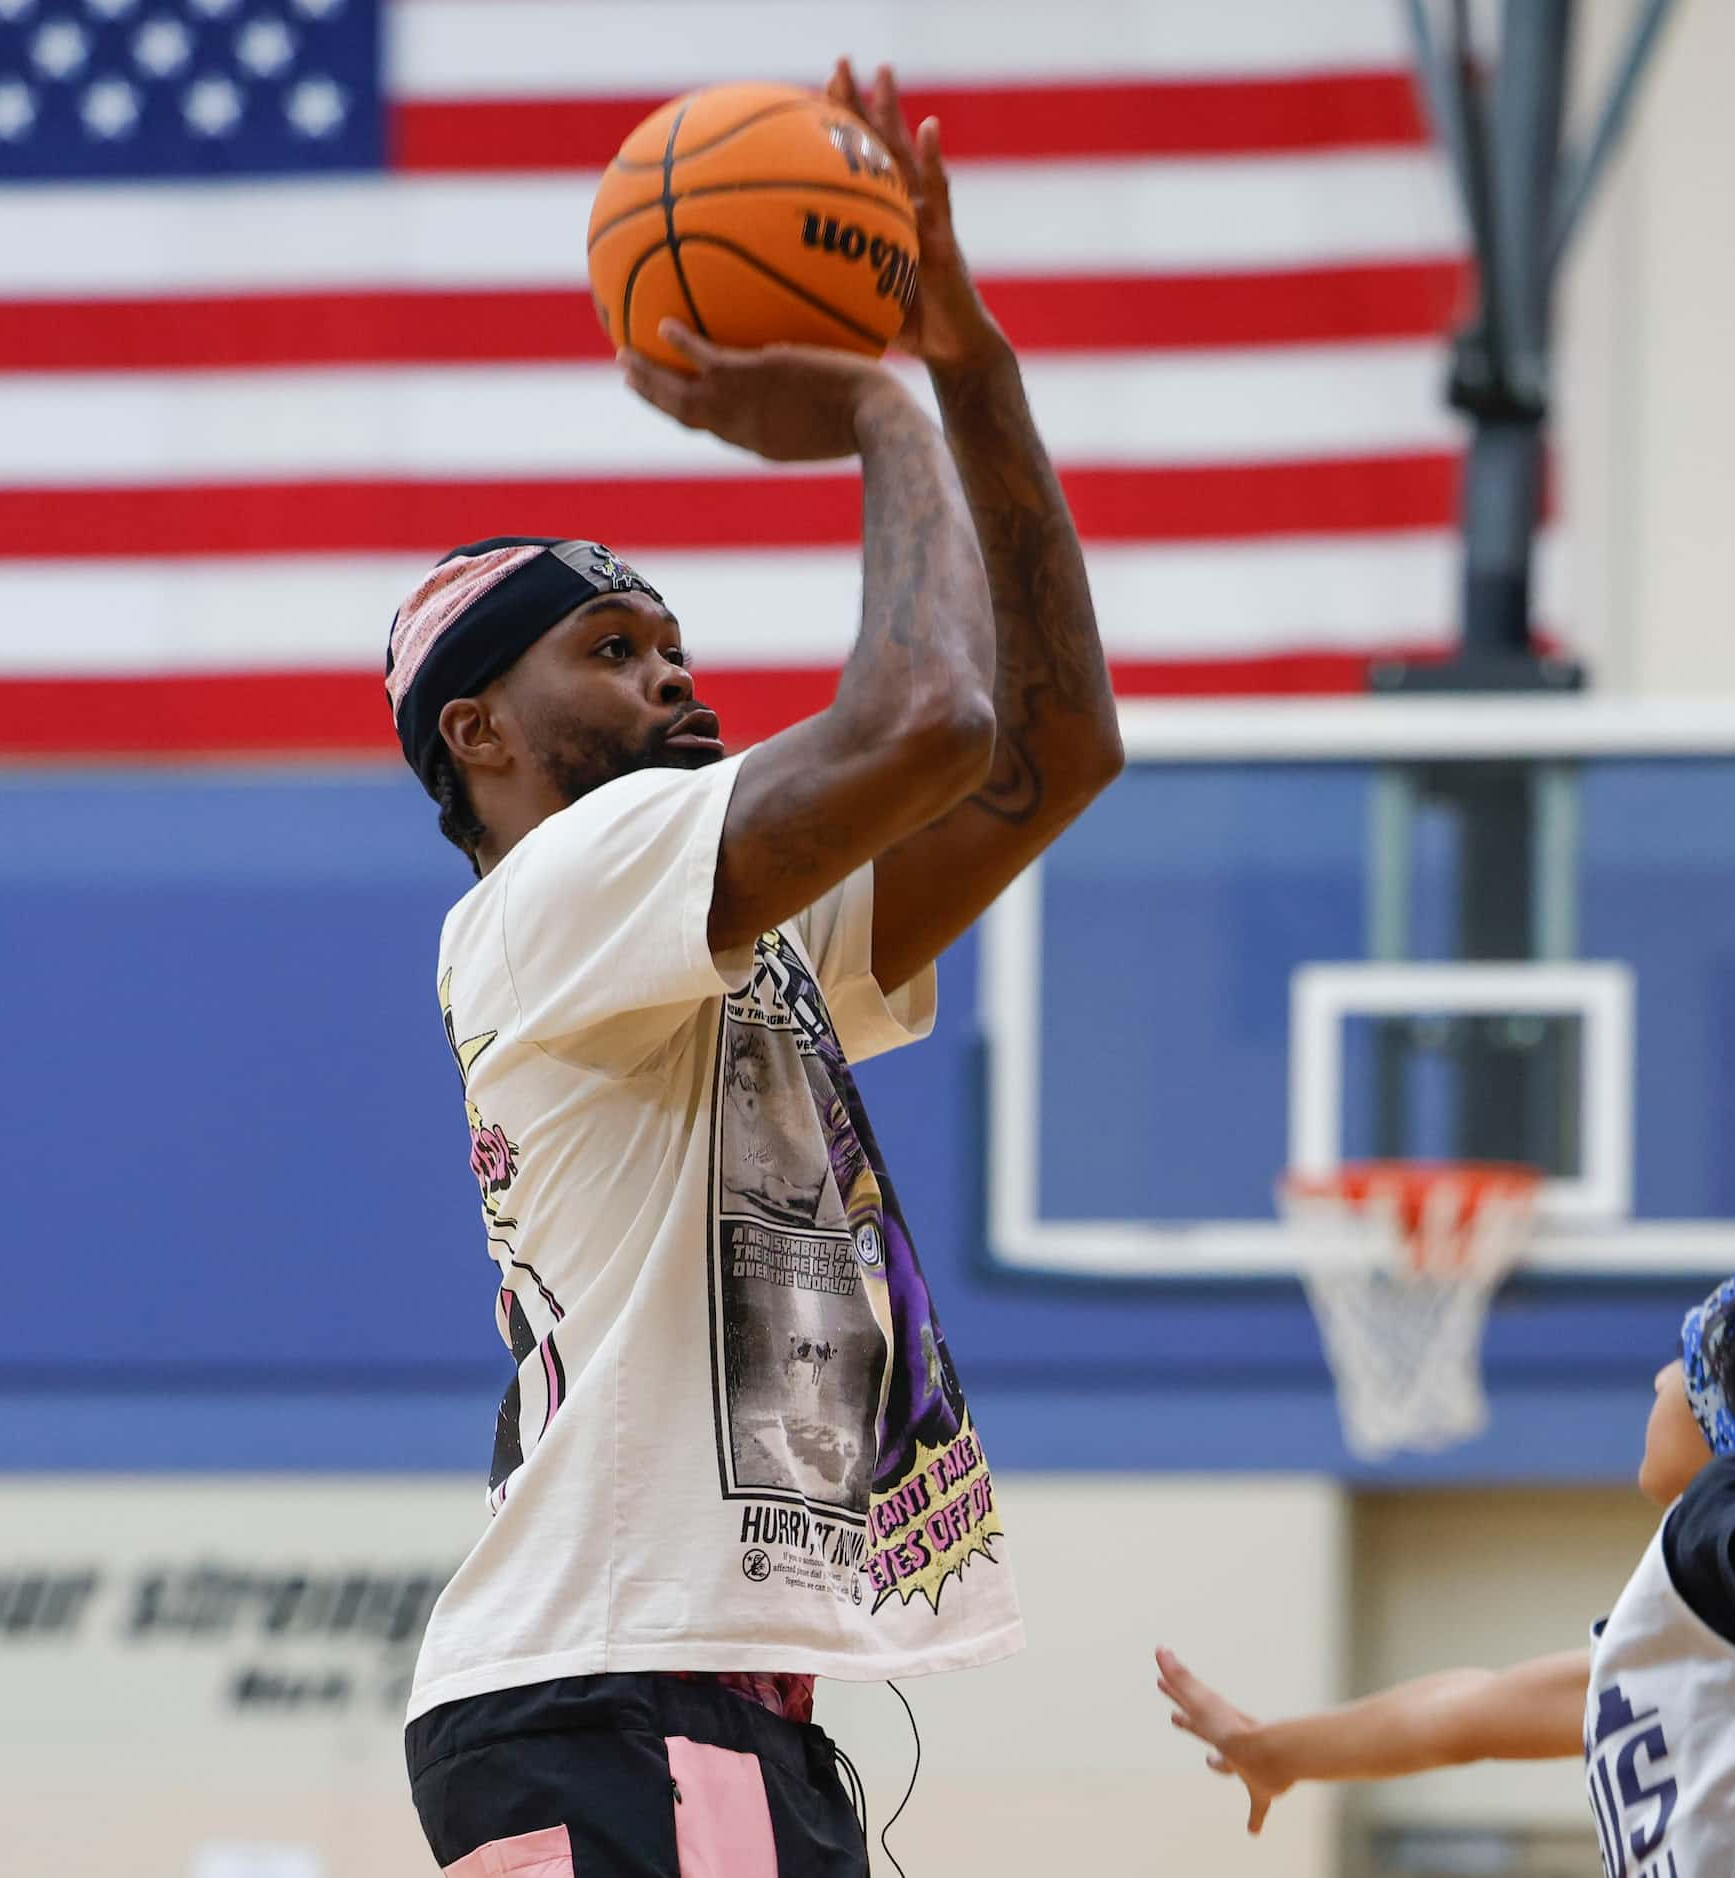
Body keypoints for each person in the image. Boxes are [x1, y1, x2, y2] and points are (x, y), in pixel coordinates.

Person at [394, 60, 1124, 1878]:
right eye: (613, 647)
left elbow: (1049, 750)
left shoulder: (710, 923)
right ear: (478, 730)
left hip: (703, 1702)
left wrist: (972, 364)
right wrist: (882, 403)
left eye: (673, 644)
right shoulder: (560, 885)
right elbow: (929, 713)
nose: (669, 679)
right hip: (610, 1690)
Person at [1157, 1226, 1735, 1876]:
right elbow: (1471, 1713)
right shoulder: (1694, 1639)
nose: (1655, 1381)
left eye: (1682, 1364)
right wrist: (1278, 1749)